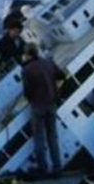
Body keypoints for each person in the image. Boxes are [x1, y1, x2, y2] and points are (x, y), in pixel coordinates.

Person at [21, 43, 66, 177]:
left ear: (27, 54)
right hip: (52, 103)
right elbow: (61, 75)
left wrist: (31, 99)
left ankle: (43, 168)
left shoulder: (26, 69)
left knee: (39, 138)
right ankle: (57, 168)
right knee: (52, 137)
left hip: (38, 105)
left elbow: (27, 91)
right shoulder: (48, 63)